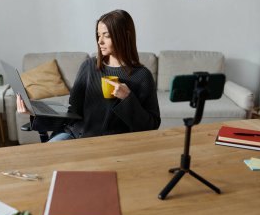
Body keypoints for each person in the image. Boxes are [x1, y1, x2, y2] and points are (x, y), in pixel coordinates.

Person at [17, 9, 160, 142]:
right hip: (76, 135)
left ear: (125, 36)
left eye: (106, 35)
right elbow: (72, 111)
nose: (100, 41)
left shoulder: (142, 76)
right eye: (98, 35)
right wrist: (35, 111)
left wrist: (127, 99)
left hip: (114, 144)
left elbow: (151, 126)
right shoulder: (89, 66)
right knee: (46, 159)